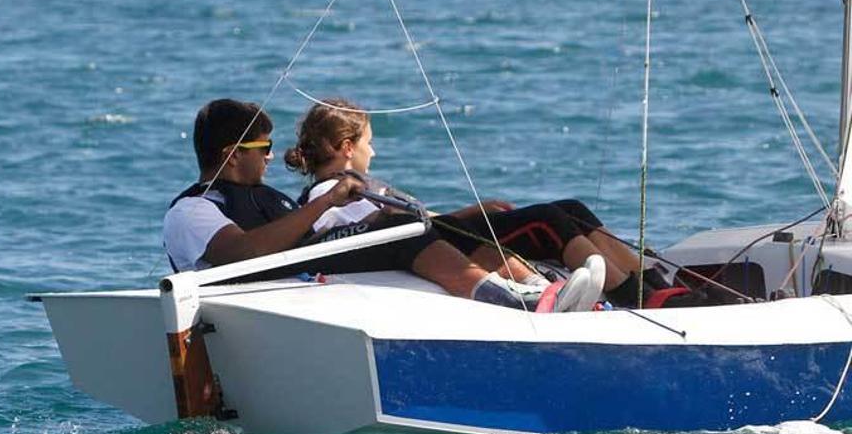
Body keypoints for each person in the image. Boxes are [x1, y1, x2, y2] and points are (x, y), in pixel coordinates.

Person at [162, 98, 602, 312]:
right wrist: (328, 203)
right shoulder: (194, 210)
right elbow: (241, 253)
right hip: (255, 302)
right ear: (231, 153)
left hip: (311, 281)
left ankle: (527, 291)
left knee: (402, 226)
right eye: (263, 147)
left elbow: (311, 239)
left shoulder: (270, 197)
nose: (271, 156)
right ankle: (512, 301)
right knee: (390, 232)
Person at [285, 98, 708, 309]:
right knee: (548, 221)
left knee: (572, 209)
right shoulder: (329, 196)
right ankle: (642, 302)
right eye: (368, 144)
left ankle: (659, 286)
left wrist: (472, 211)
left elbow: (414, 220)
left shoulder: (359, 183)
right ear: (345, 148)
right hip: (445, 252)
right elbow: (384, 236)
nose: (372, 153)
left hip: (448, 236)